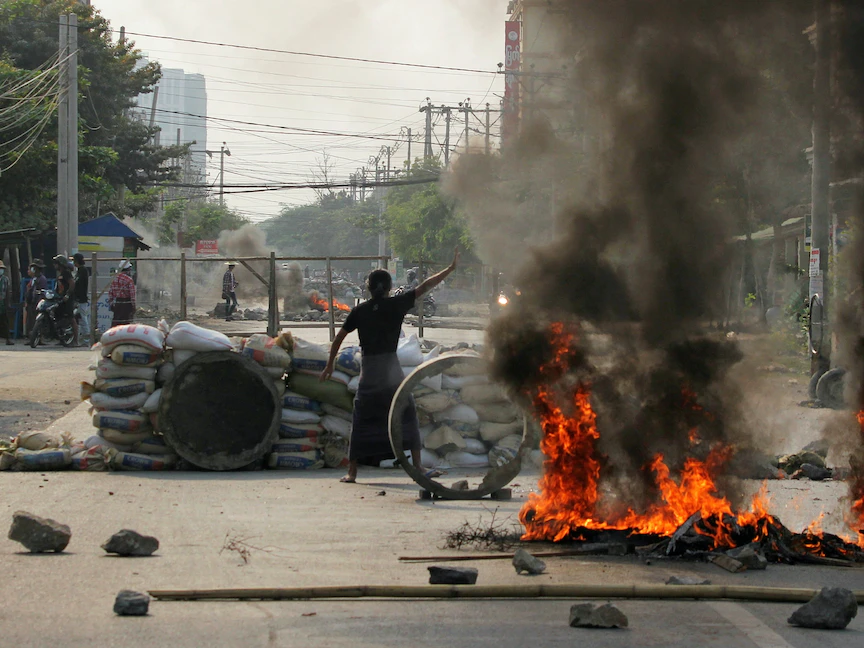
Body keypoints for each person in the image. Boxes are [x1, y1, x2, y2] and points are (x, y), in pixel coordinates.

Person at [320, 248, 460, 483]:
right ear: (388, 287)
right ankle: (418, 466)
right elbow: (425, 286)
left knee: (362, 420)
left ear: (368, 287)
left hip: (369, 373)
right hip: (391, 372)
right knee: (407, 415)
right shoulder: (397, 305)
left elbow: (339, 338)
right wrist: (449, 269)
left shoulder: (359, 311)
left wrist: (329, 366)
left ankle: (352, 472)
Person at [108, 259, 136, 327]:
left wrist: (111, 303)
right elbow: (132, 295)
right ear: (128, 269)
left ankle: (114, 336)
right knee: (125, 323)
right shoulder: (129, 280)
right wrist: (133, 306)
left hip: (117, 302)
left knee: (116, 322)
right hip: (126, 303)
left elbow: (110, 292)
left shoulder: (114, 278)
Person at [24, 260, 47, 336]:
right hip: (31, 303)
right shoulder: (33, 279)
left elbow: (42, 292)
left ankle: (38, 338)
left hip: (37, 303)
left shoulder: (42, 279)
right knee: (30, 321)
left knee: (36, 322)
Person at [72, 253, 90, 346]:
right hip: (78, 299)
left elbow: (81, 286)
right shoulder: (79, 271)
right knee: (78, 319)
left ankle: (86, 340)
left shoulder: (83, 271)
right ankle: (79, 338)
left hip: (81, 299)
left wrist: (78, 297)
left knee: (83, 319)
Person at [0, 260, 13, 345]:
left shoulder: (5, 279)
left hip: (2, 303)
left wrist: (8, 302)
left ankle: (8, 339)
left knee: (5, 321)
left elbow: (6, 292)